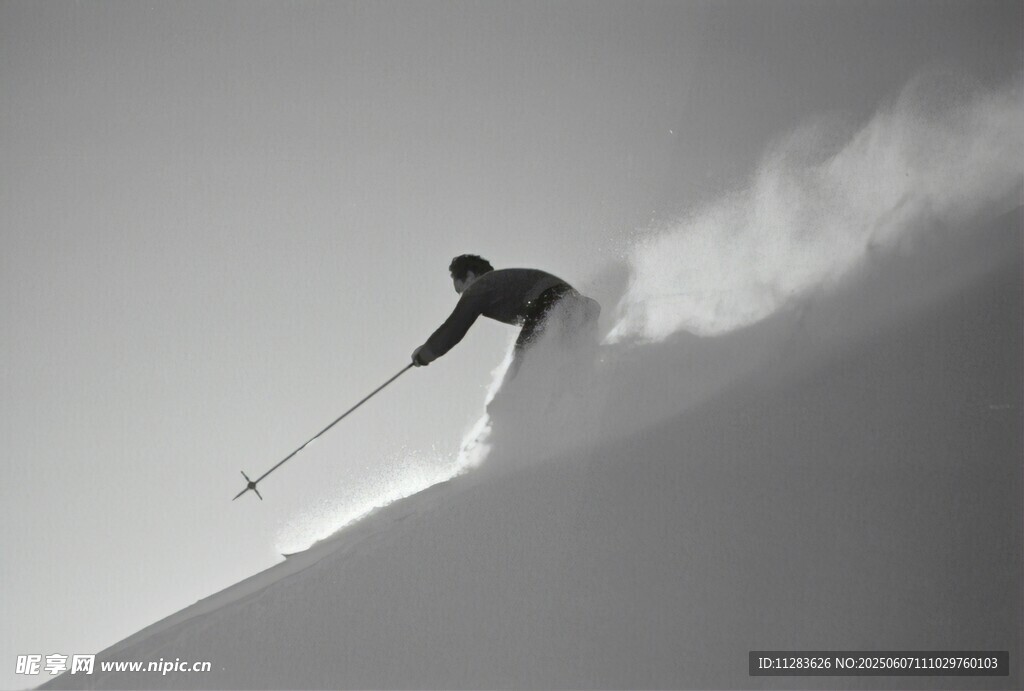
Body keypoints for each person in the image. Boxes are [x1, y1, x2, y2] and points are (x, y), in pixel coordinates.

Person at [411, 255, 600, 378]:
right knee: (565, 368)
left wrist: (426, 353)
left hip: (550, 305)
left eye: (460, 290)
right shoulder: (503, 282)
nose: (463, 296)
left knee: (522, 367)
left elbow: (455, 327)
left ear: (469, 276)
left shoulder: (482, 285)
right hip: (573, 306)